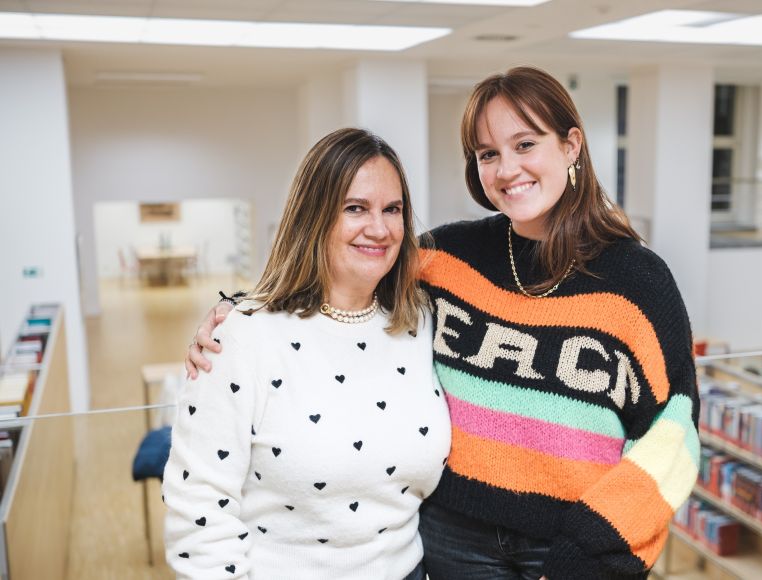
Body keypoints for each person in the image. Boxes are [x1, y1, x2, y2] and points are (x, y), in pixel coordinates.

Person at [188, 67, 700, 579]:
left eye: (525, 144)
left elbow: (672, 436)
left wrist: (590, 558)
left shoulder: (639, 280)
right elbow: (346, 268)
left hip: (573, 545)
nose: (506, 170)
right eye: (488, 154)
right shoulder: (445, 256)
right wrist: (240, 310)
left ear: (571, 146)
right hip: (451, 540)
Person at [164, 128, 451, 579]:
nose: (379, 228)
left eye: (392, 210)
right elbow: (198, 506)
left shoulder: (421, 320)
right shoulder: (241, 336)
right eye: (355, 208)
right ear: (313, 216)